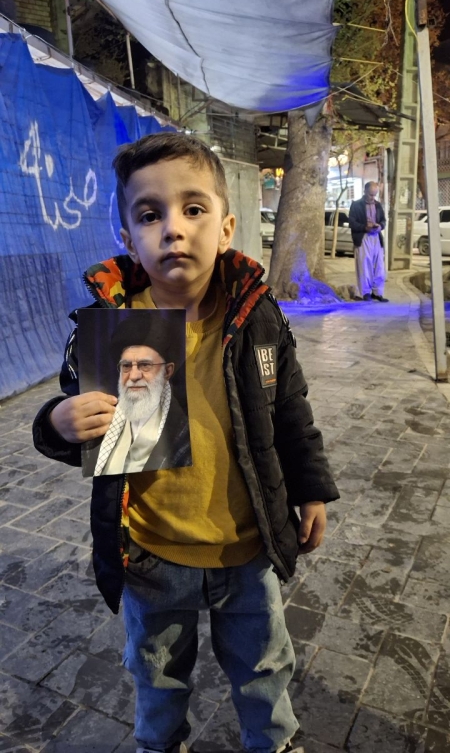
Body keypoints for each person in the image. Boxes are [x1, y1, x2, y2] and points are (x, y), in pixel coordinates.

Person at [32, 132, 339, 753]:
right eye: (150, 215)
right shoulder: (109, 328)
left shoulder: (257, 316)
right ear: (129, 239)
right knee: (157, 676)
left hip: (247, 549)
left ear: (226, 228)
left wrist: (311, 490)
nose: (173, 228)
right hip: (151, 554)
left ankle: (273, 743)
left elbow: (291, 411)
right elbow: (75, 421)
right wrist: (59, 423)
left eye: (193, 209)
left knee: (264, 669)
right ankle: (159, 744)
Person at [91, 314, 191, 476]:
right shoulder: (106, 414)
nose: (134, 376)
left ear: (167, 371)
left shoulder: (184, 428)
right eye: (126, 366)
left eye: (145, 365)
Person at [349, 181, 389, 302]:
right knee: (364, 265)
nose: (372, 197)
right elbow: (352, 222)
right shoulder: (356, 205)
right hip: (363, 237)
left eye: (374, 194)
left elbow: (383, 220)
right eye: (371, 194)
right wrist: (364, 227)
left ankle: (377, 292)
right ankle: (365, 292)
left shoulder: (378, 205)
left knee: (379, 266)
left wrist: (380, 226)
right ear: (365, 191)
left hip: (376, 237)